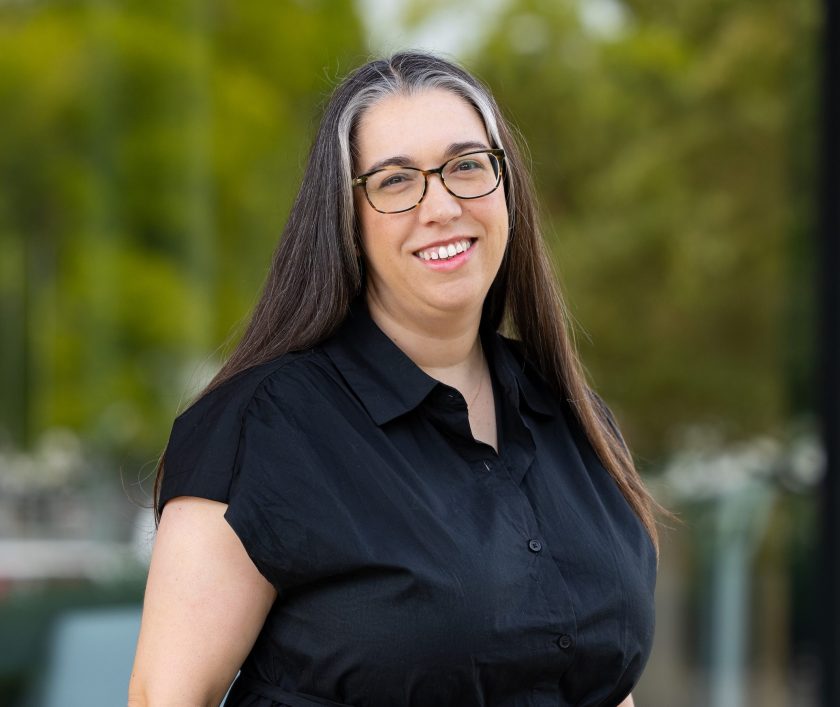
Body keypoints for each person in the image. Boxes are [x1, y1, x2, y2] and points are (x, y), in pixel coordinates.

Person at [129, 51, 658, 707]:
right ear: (347, 220)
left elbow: (604, 685)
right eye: (396, 180)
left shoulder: (577, 418)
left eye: (467, 166)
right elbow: (164, 697)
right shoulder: (262, 429)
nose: (441, 206)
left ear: (507, 190)